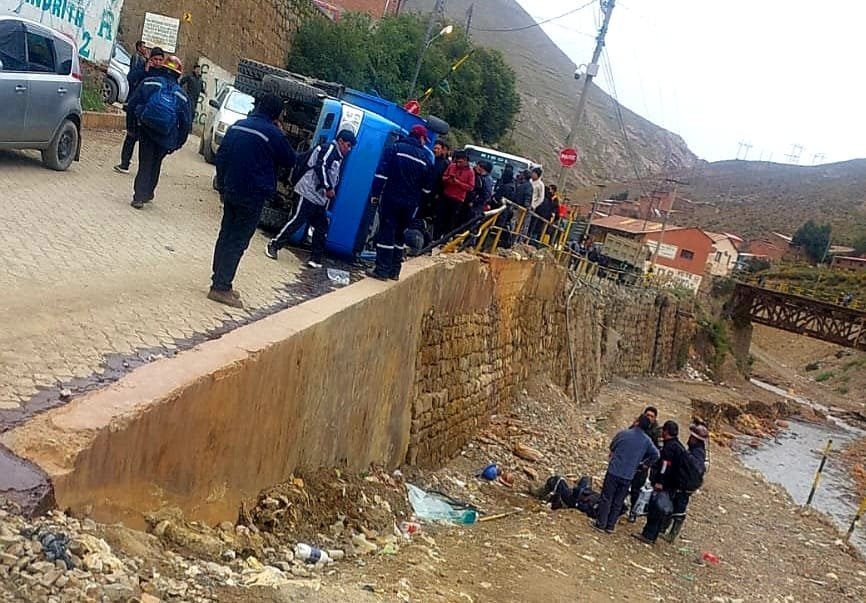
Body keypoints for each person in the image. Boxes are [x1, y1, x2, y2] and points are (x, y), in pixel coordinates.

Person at [210, 94, 295, 308]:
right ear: (276, 114)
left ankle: (218, 281)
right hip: (252, 196)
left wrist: (221, 185)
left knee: (226, 235)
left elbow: (221, 157)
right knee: (238, 240)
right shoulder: (273, 134)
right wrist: (281, 132)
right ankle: (221, 287)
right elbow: (290, 160)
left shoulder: (238, 126)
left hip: (231, 190)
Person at [265, 129, 356, 267]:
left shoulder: (337, 156)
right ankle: (274, 245)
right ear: (340, 141)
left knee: (321, 226)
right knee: (297, 220)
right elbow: (321, 167)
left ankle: (315, 258)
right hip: (307, 191)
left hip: (319, 198)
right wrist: (328, 188)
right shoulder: (329, 149)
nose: (348, 149)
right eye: (348, 145)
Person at [366, 125, 432, 281]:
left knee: (386, 232)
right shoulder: (426, 159)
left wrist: (375, 194)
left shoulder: (395, 149)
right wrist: (418, 203)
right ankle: (394, 271)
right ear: (420, 138)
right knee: (400, 235)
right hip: (410, 204)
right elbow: (427, 189)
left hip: (391, 198)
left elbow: (381, 174)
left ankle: (381, 270)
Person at [125, 54, 192, 209]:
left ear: (162, 68)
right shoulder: (182, 96)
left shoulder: (149, 83)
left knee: (145, 162)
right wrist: (177, 144)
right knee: (156, 163)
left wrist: (131, 128)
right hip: (166, 136)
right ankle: (148, 192)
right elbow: (186, 124)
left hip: (146, 130)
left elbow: (132, 104)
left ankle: (139, 197)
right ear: (178, 74)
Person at [593, 415, 660, 534]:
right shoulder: (647, 441)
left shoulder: (623, 434)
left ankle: (601, 523)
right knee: (618, 501)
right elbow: (656, 455)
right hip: (628, 475)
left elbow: (612, 446)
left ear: (637, 422)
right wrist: (644, 465)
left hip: (614, 471)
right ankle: (610, 526)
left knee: (607, 497)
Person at [635, 420, 686, 544]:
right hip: (673, 485)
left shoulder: (669, 448)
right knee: (663, 508)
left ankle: (648, 535)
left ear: (666, 432)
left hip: (664, 485)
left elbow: (665, 466)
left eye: (663, 431)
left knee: (656, 508)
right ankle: (655, 533)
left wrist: (660, 482)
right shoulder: (679, 447)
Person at [115, 47, 164, 175]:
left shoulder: (164, 74)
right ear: (151, 59)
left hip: (152, 113)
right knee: (131, 136)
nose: (157, 62)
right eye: (155, 59)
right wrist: (145, 69)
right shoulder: (143, 67)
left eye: (160, 60)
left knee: (147, 142)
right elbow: (130, 78)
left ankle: (146, 170)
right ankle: (124, 163)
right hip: (136, 108)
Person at [659, 421, 708, 543]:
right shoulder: (696, 450)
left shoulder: (697, 453)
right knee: (673, 505)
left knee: (679, 509)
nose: (689, 439)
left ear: (695, 439)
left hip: (685, 485)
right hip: (685, 484)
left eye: (691, 437)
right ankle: (664, 528)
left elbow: (694, 467)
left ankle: (671, 534)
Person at [628, 406, 662, 522]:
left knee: (636, 490)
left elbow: (657, 452)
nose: (649, 418)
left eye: (652, 416)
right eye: (647, 415)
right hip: (631, 462)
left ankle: (633, 511)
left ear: (655, 418)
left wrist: (647, 464)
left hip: (643, 465)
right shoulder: (637, 426)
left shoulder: (656, 432)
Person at [436, 150, 475, 237]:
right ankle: (435, 237)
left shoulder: (470, 172)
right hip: (446, 195)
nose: (458, 164)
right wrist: (448, 179)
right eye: (457, 162)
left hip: (458, 199)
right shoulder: (452, 166)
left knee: (451, 221)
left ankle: (445, 238)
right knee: (440, 217)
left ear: (465, 161)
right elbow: (443, 177)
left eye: (460, 162)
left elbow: (470, 187)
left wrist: (458, 182)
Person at [422, 140, 450, 224]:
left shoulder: (444, 163)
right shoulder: (427, 158)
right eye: (435, 148)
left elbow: (444, 180)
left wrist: (439, 193)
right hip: (422, 189)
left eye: (438, 149)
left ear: (442, 150)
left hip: (434, 192)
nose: (436, 150)